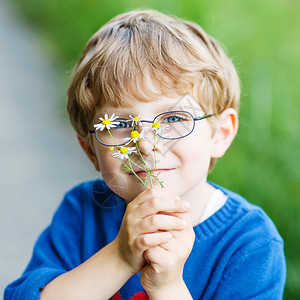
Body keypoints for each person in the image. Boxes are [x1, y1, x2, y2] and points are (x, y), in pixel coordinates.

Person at [5, 9, 286, 300]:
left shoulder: (250, 242)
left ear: (220, 134)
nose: (146, 144)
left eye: (174, 118)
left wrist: (167, 287)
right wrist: (120, 257)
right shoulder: (81, 212)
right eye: (122, 124)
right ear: (90, 149)